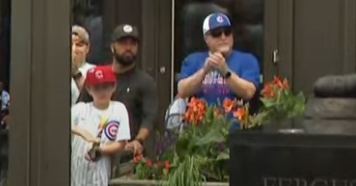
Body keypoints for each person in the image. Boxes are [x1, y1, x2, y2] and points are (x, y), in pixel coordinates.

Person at [78, 25, 158, 158]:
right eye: (123, 43)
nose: (128, 48)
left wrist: (138, 141)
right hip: (95, 151)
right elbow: (79, 110)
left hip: (129, 154)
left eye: (133, 43)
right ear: (112, 46)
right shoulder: (98, 77)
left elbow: (150, 117)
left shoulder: (145, 82)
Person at [177, 13, 260, 105]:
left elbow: (249, 92)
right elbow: (182, 91)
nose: (223, 37)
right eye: (216, 33)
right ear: (206, 38)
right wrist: (204, 71)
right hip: (200, 118)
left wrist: (226, 72)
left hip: (234, 119)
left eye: (227, 32)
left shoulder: (247, 60)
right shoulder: (193, 60)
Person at [70, 66, 130, 186]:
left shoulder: (118, 109)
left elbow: (122, 142)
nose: (102, 92)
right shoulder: (80, 109)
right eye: (97, 88)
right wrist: (82, 132)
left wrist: (101, 149)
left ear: (113, 87)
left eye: (106, 87)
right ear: (88, 89)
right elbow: (60, 123)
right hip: (77, 171)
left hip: (101, 169)